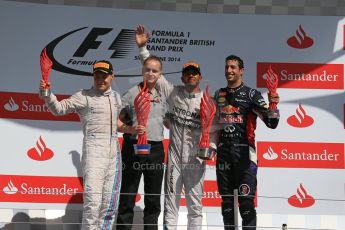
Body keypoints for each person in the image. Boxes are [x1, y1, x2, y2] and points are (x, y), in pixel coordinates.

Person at [39, 60, 145, 230]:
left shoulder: (117, 97)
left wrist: (132, 130)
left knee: (110, 205)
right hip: (94, 149)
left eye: (104, 76)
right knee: (93, 204)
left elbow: (115, 124)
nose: (100, 79)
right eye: (97, 76)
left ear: (112, 76)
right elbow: (57, 109)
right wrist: (47, 93)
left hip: (114, 151)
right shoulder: (83, 95)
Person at [136, 24, 210, 230]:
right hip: (175, 160)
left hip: (196, 159)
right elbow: (154, 74)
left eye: (194, 73)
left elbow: (213, 130)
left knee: (195, 206)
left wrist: (210, 148)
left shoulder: (207, 101)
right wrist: (143, 49)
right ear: (182, 77)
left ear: (200, 77)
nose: (190, 76)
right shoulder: (173, 92)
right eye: (187, 73)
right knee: (170, 205)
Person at [211, 55, 280, 230]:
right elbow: (209, 123)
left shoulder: (251, 94)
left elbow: (272, 124)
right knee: (226, 203)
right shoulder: (219, 94)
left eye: (233, 67)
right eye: (227, 67)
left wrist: (273, 104)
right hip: (223, 153)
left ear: (241, 71)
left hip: (245, 154)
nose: (229, 71)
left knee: (246, 202)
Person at [115, 54, 166, 229]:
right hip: (133, 145)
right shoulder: (131, 93)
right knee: (128, 195)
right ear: (142, 71)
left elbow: (167, 120)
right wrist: (130, 129)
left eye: (155, 70)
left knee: (153, 198)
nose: (151, 73)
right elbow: (115, 121)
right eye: (147, 70)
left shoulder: (163, 94)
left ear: (160, 74)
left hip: (156, 148)